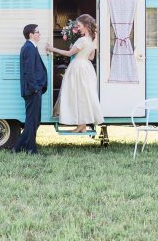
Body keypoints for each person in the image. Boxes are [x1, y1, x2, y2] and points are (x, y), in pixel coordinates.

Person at [46, 14, 103, 133]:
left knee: (76, 94)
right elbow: (91, 57)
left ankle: (81, 125)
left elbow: (69, 53)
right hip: (87, 68)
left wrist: (52, 49)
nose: (78, 28)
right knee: (83, 95)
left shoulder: (81, 40)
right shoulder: (92, 39)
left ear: (86, 26)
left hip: (78, 67)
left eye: (79, 26)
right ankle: (82, 124)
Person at [12, 24, 48, 154]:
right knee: (32, 121)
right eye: (38, 32)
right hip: (32, 91)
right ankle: (31, 149)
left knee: (33, 120)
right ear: (31, 34)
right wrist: (35, 88)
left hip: (33, 90)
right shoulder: (29, 48)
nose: (40, 34)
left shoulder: (30, 47)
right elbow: (29, 71)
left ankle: (18, 148)